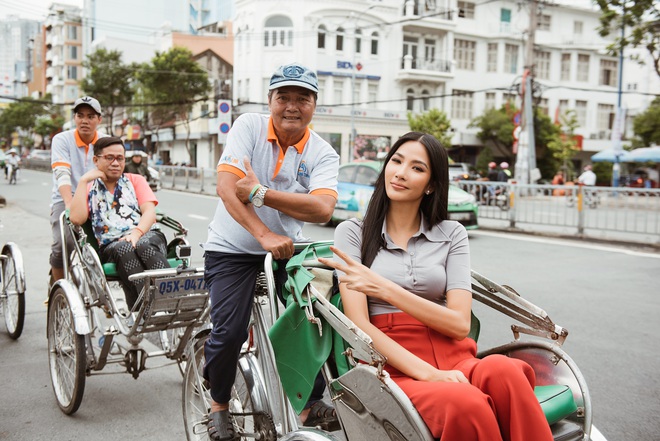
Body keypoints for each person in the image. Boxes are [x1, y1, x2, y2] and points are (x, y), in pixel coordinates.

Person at [319, 132, 554, 441]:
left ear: (431, 185)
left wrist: (386, 289)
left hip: (454, 353)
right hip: (390, 363)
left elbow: (459, 324)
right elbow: (360, 325)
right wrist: (428, 374)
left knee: (506, 372)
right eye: (396, 161)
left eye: (417, 168)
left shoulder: (452, 234)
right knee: (466, 404)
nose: (401, 173)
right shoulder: (352, 233)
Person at [202, 63, 340, 440]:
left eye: (303, 98)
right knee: (230, 332)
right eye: (284, 98)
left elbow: (323, 209)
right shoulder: (247, 126)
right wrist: (262, 231)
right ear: (270, 101)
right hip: (231, 249)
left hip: (285, 250)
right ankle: (218, 407)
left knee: (318, 316)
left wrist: (260, 193)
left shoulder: (322, 153)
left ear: (314, 105)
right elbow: (228, 188)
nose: (292, 106)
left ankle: (311, 402)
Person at [69, 136, 169, 309]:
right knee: (124, 247)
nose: (116, 163)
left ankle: (170, 296)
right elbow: (77, 219)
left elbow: (149, 212)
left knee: (143, 245)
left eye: (120, 158)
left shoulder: (135, 180)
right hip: (113, 245)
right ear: (96, 160)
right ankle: (145, 306)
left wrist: (137, 233)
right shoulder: (88, 187)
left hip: (146, 234)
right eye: (109, 158)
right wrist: (83, 181)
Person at [49, 96, 107, 283]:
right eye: (80, 115)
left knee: (107, 243)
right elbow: (62, 172)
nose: (85, 120)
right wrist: (69, 205)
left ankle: (104, 293)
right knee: (62, 244)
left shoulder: (106, 141)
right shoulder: (62, 139)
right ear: (74, 118)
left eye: (90, 116)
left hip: (98, 198)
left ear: (99, 119)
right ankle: (58, 289)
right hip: (67, 197)